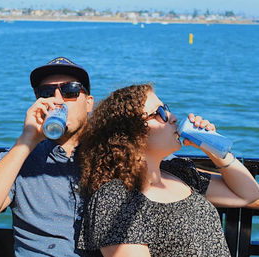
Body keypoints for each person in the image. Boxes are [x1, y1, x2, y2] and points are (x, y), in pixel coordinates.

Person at [77, 84, 259, 257]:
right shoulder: (115, 199)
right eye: (160, 113)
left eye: (167, 108)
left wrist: (212, 146)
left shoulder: (179, 174)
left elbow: (248, 193)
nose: (172, 117)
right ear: (131, 133)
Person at [0, 57, 94, 256]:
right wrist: (27, 140)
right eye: (46, 92)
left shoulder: (112, 157)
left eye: (70, 91)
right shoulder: (19, 159)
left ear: (89, 103)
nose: (57, 100)